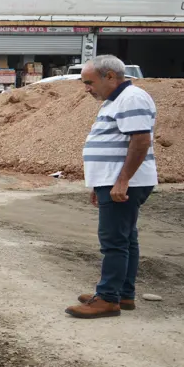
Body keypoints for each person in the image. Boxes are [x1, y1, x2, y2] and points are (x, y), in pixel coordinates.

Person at [65, 55, 158, 319]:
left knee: (114, 242)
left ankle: (107, 298)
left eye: (89, 82)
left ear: (109, 76)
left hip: (124, 183)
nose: (87, 88)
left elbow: (140, 141)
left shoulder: (132, 98)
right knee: (126, 238)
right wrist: (99, 183)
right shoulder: (115, 101)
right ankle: (123, 293)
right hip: (113, 181)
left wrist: (122, 180)